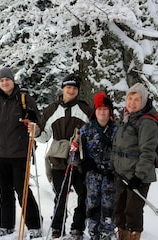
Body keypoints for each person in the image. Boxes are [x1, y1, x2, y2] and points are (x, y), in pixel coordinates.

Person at [0, 67, 42, 238]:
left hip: (20, 153)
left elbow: (38, 122)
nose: (5, 83)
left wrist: (33, 123)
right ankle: (6, 225)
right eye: (1, 81)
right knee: (5, 191)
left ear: (12, 80)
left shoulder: (24, 99)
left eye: (7, 79)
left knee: (22, 190)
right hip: (1, 153)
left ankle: (34, 224)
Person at [34, 73, 92, 239]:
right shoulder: (51, 109)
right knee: (60, 196)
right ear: (63, 88)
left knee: (83, 194)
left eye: (74, 88)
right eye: (68, 87)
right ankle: (57, 227)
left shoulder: (85, 109)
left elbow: (92, 132)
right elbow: (44, 137)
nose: (71, 90)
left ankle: (77, 228)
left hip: (79, 160)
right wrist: (37, 132)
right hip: (58, 159)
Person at [110, 83, 158, 240]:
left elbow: (148, 152)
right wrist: (113, 166)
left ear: (143, 101)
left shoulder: (147, 123)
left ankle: (132, 236)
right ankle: (122, 237)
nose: (132, 102)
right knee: (120, 211)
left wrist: (139, 176)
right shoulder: (125, 119)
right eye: (130, 98)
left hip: (137, 177)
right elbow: (117, 146)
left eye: (136, 99)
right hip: (121, 175)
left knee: (132, 212)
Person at [78, 92, 117, 240]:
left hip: (110, 176)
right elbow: (76, 153)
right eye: (99, 108)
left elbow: (121, 152)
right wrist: (83, 164)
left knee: (109, 205)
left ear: (110, 112)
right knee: (92, 204)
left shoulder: (116, 130)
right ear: (95, 111)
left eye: (105, 109)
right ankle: (93, 232)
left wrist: (114, 168)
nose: (102, 111)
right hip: (92, 176)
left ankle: (107, 232)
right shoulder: (86, 129)